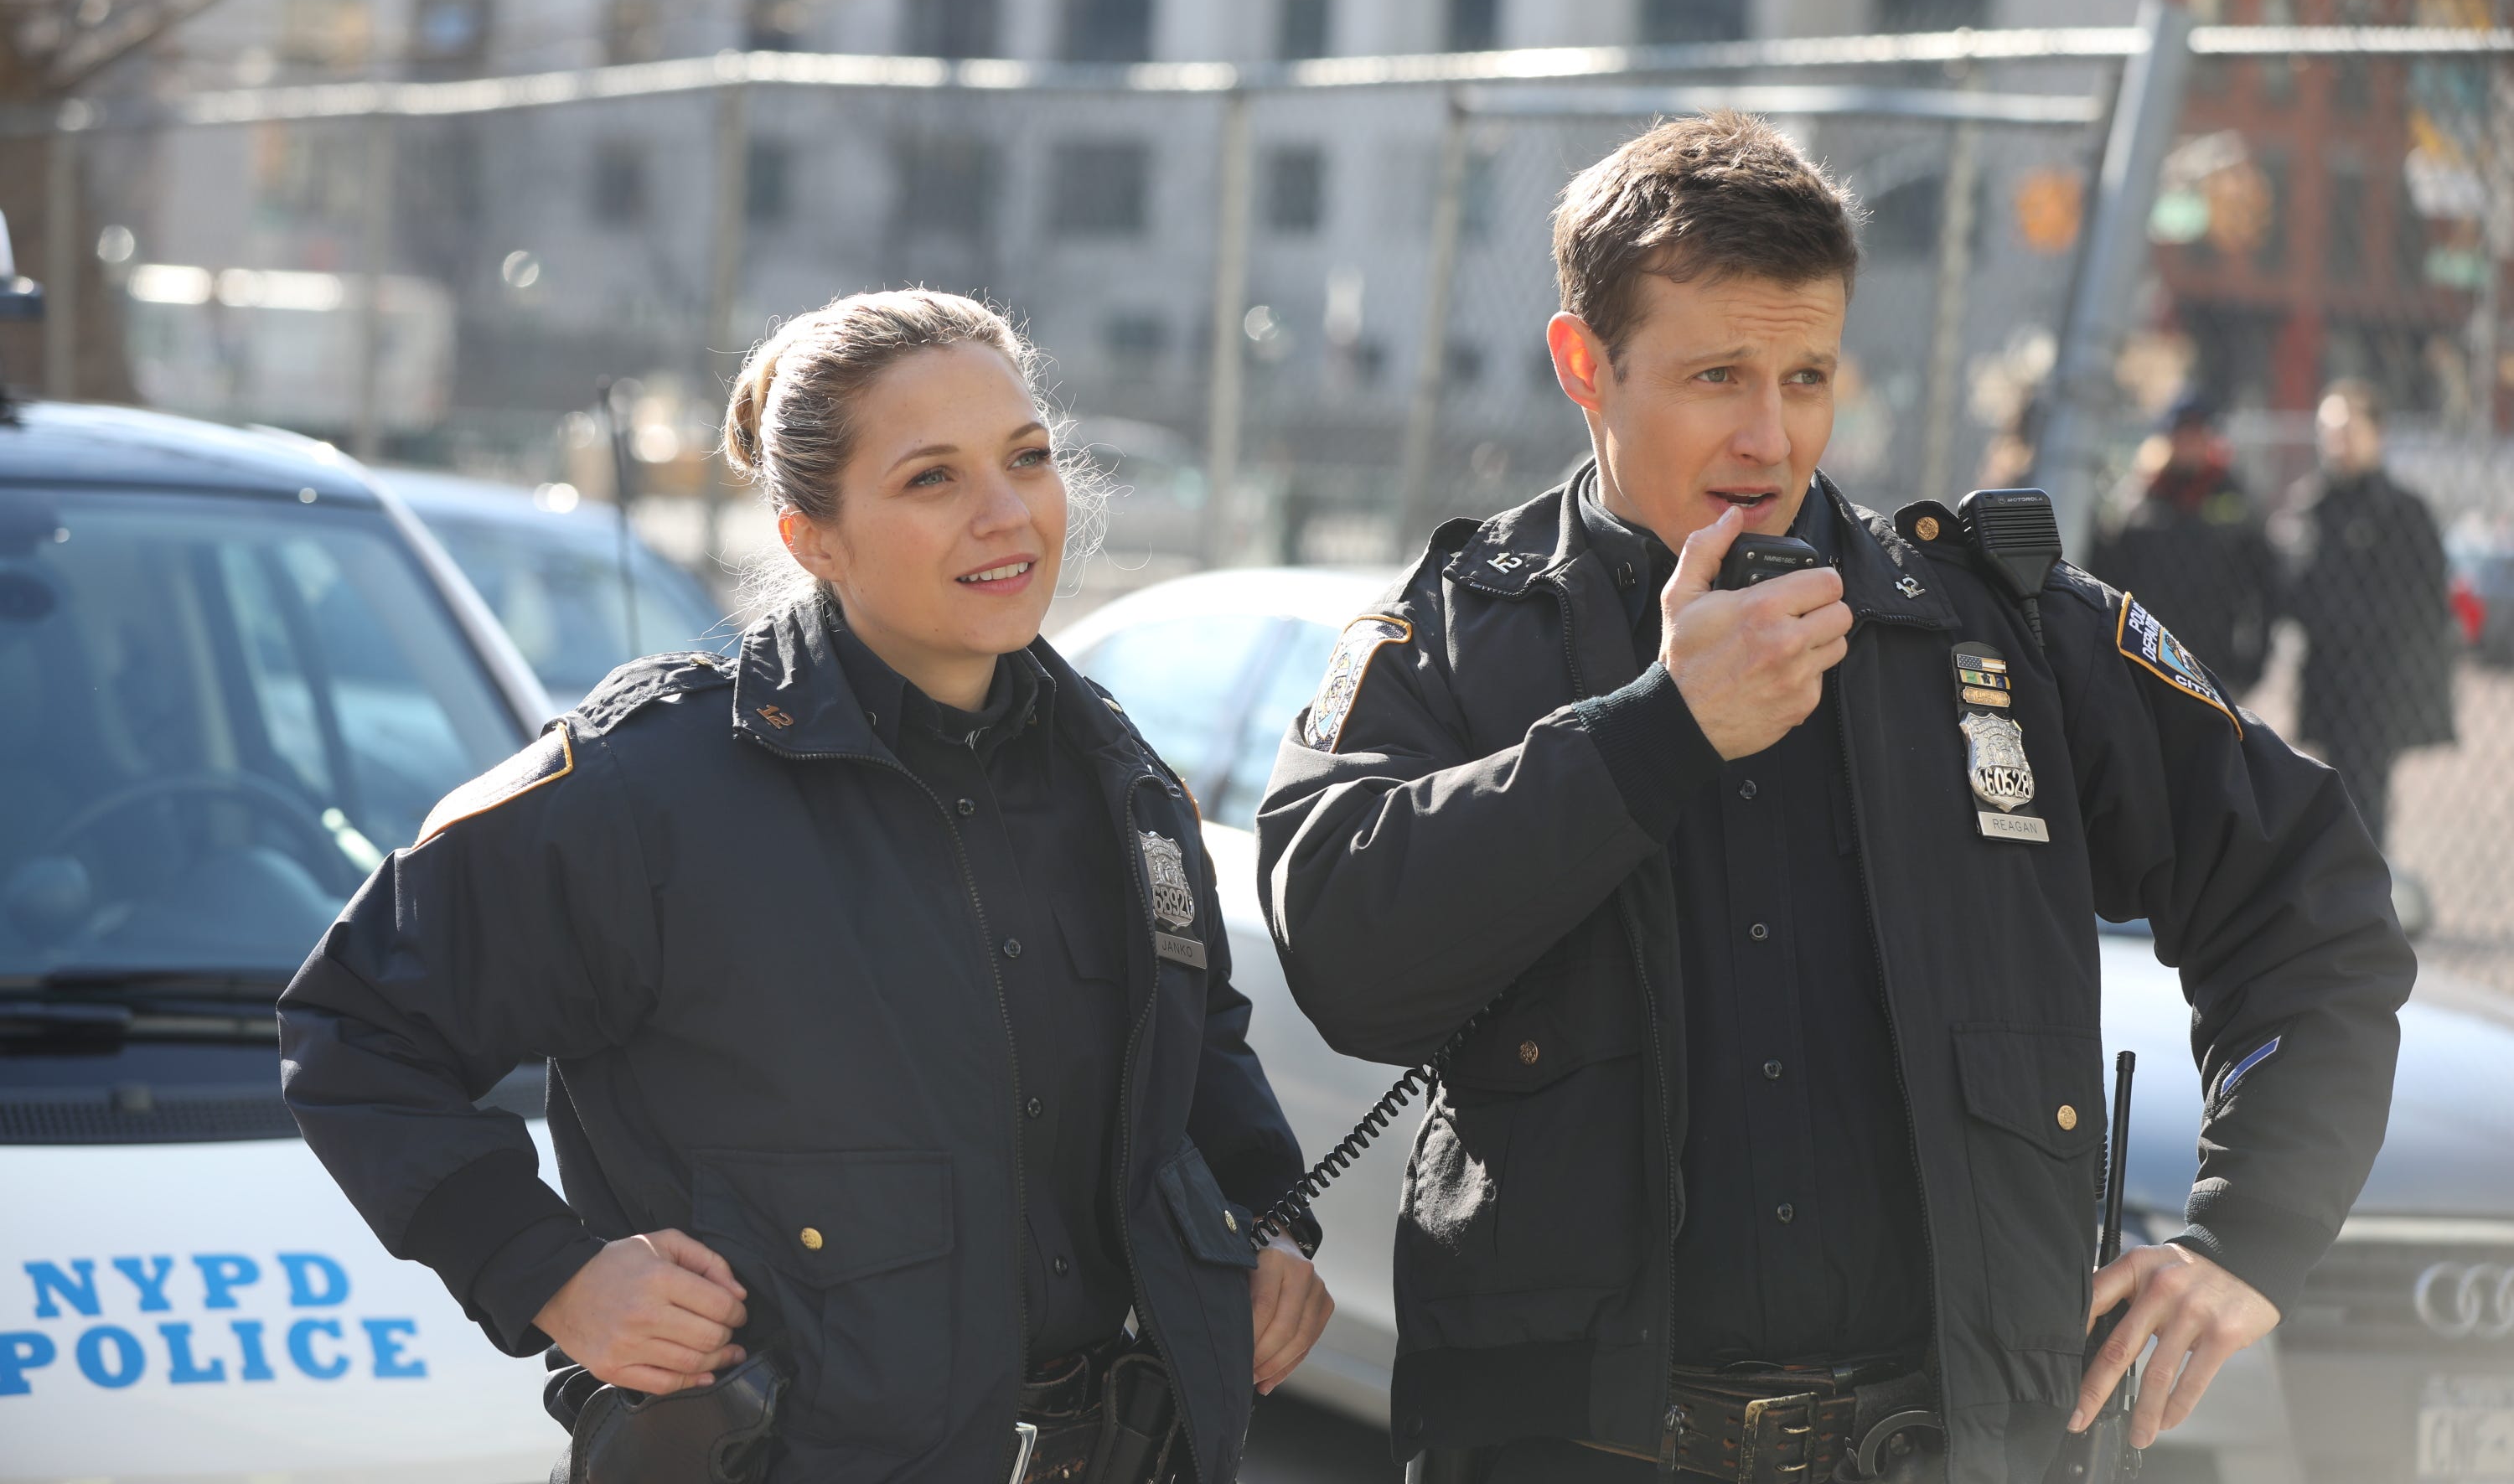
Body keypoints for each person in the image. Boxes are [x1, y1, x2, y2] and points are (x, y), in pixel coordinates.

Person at [1255, 115, 2413, 1484]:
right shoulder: (1460, 635)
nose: (1770, 434)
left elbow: (2316, 915)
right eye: (1717, 375)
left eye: (1806, 374)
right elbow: (1341, 950)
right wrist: (1653, 735)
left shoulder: (2005, 633)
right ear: (1585, 366)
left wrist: (2248, 1235)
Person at [279, 290, 1331, 1484]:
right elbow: (357, 1028)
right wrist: (549, 1274)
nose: (1007, 515)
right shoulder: (652, 787)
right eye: (932, 479)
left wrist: (1267, 1222)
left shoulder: (1119, 776)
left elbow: (1193, 1046)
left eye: (1027, 459)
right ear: (810, 538)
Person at [2274, 378, 2456, 848]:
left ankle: (2364, 898)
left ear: (2378, 433)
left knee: (2365, 800)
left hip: (2381, 679)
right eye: (2329, 432)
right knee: (2328, 790)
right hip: (2327, 675)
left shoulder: (2404, 512)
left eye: (2349, 431)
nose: (2337, 444)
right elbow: (2291, 590)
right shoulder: (2310, 507)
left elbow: (2427, 603)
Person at [2087, 393, 2276, 696]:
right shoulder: (2139, 499)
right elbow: (2107, 578)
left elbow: (2265, 584)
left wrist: (2253, 659)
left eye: (2197, 434)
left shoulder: (2235, 499)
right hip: (2144, 657)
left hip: (2213, 662)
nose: (2189, 443)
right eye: (2181, 434)